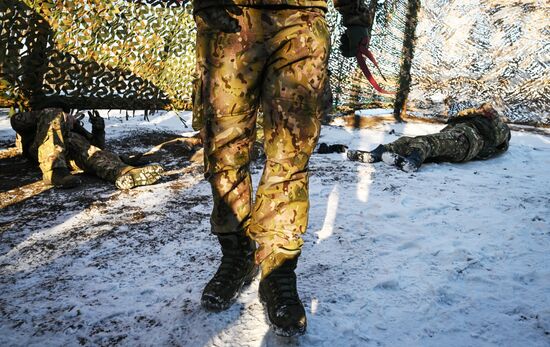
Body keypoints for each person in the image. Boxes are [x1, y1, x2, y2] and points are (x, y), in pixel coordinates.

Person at [192, 0, 375, 337]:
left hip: (301, 21)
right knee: (223, 147)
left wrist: (355, 16)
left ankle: (278, 267)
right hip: (230, 14)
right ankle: (237, 254)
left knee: (291, 150)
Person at [10, 108, 164, 189]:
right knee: (63, 129)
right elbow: (15, 120)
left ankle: (123, 173)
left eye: (67, 113)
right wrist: (54, 115)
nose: (68, 117)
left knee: (89, 151)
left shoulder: (73, 128)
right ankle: (54, 172)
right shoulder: (32, 122)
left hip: (69, 159)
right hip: (44, 156)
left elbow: (95, 148)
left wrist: (98, 130)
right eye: (64, 113)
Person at [347, 103, 511, 171]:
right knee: (409, 141)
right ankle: (377, 153)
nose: (486, 111)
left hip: (467, 140)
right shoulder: (472, 117)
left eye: (490, 111)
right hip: (457, 134)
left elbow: (499, 138)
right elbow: (454, 118)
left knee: (427, 142)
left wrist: (494, 118)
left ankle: (412, 162)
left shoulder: (499, 129)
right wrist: (475, 111)